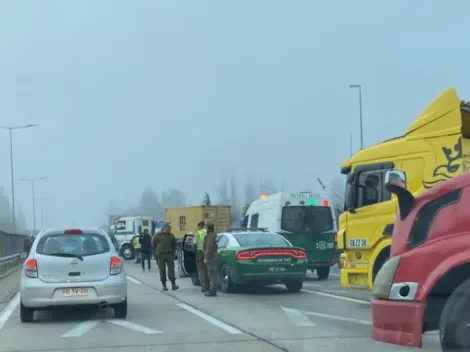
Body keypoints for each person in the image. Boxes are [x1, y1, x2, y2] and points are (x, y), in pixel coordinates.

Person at [151, 222, 179, 291]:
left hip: (169, 254)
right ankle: (164, 285)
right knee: (162, 269)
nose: (169, 229)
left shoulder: (171, 235)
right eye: (168, 228)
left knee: (171, 269)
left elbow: (174, 244)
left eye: (170, 228)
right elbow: (153, 243)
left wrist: (173, 251)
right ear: (164, 228)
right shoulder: (158, 235)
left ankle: (173, 284)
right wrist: (157, 250)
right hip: (160, 254)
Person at [203, 222, 218, 297]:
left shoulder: (211, 236)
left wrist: (206, 258)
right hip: (214, 257)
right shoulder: (214, 235)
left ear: (207, 228)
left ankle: (212, 291)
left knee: (212, 275)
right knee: (212, 274)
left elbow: (209, 248)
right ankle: (212, 290)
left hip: (211, 258)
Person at [192, 221, 208, 292]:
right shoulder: (208, 232)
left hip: (200, 253)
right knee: (208, 270)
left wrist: (194, 252)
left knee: (201, 270)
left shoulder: (198, 233)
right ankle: (208, 286)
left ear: (199, 226)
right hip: (208, 253)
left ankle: (204, 287)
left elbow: (194, 244)